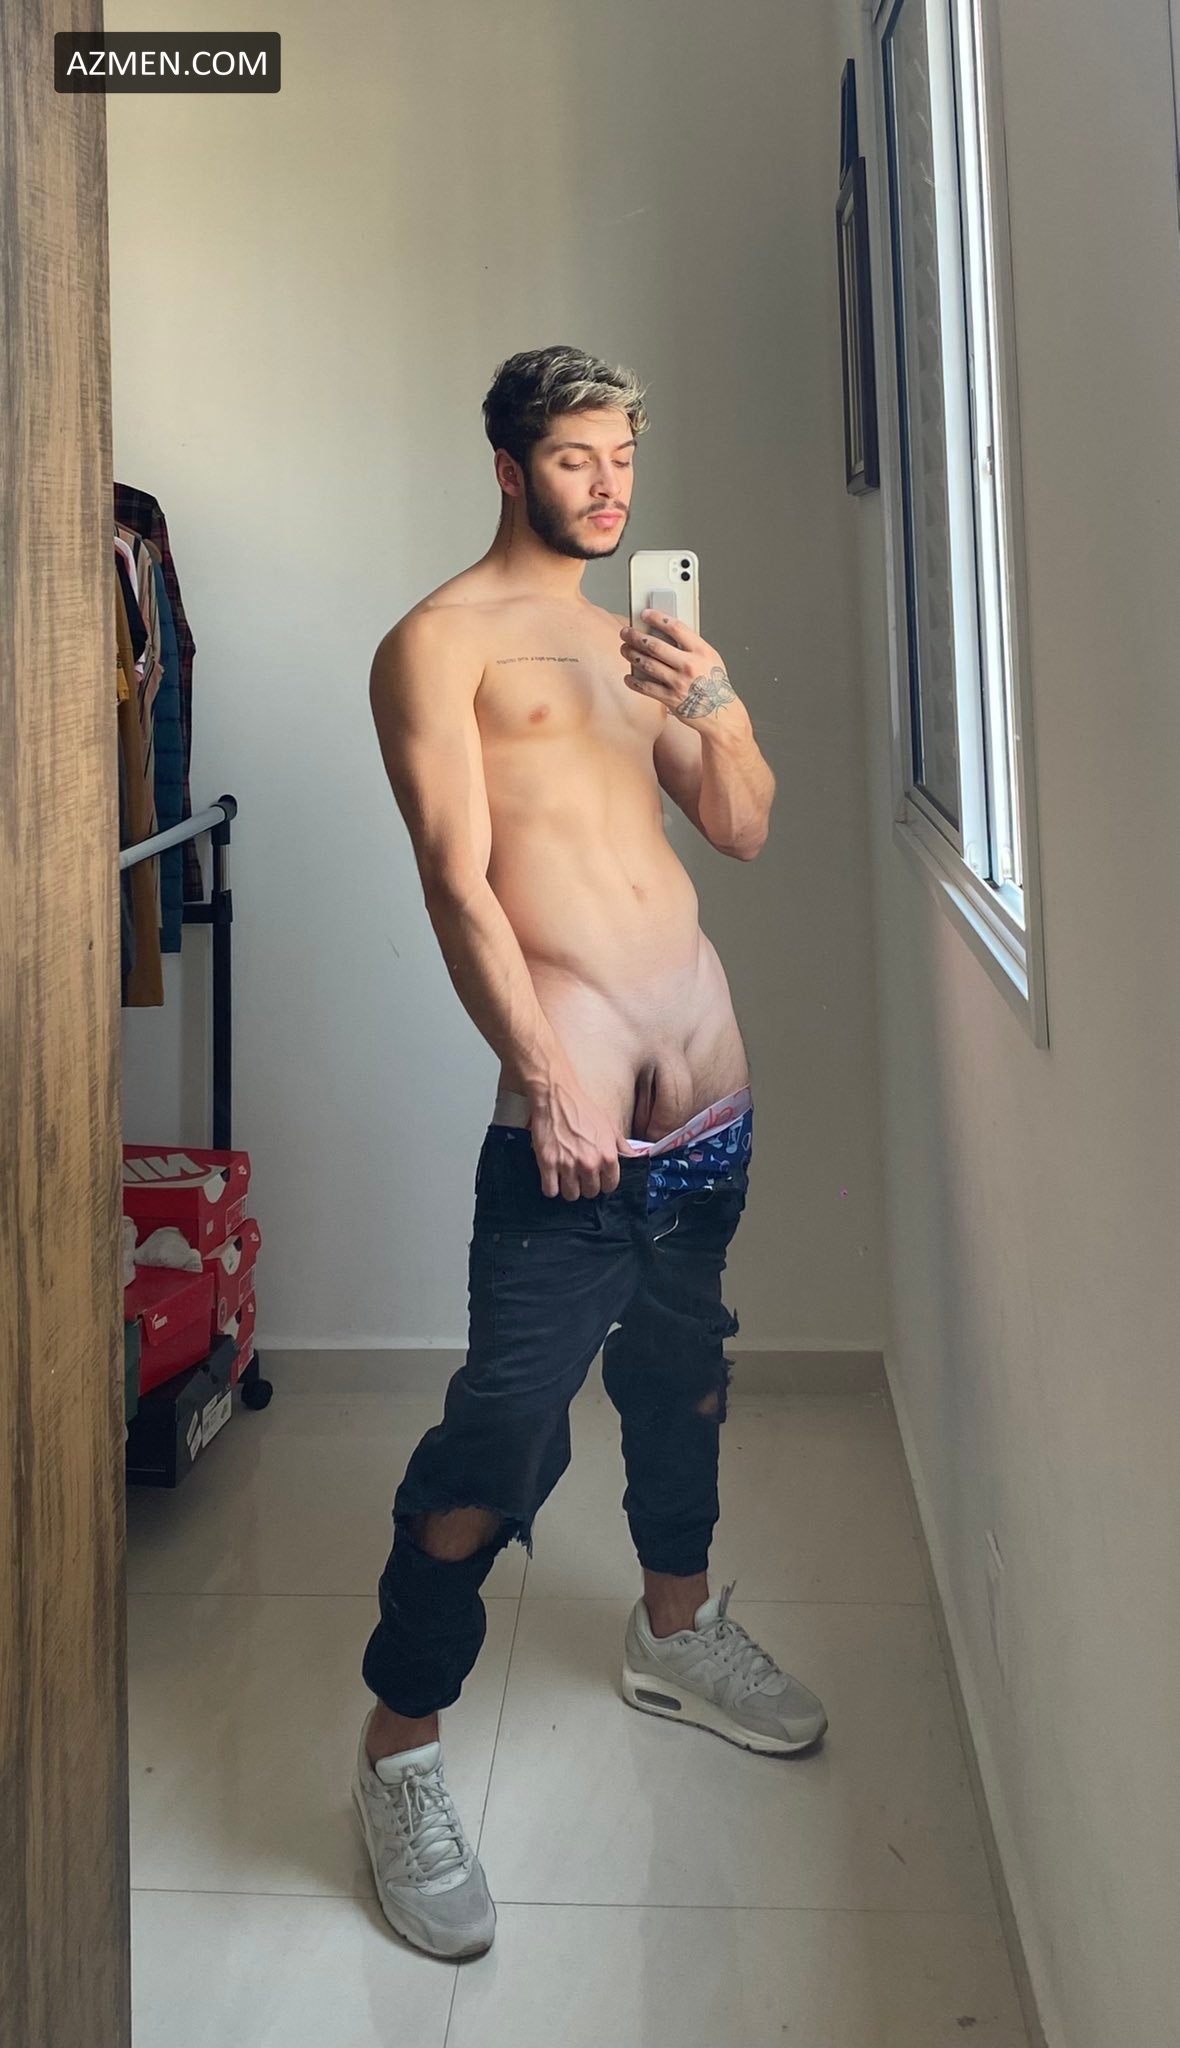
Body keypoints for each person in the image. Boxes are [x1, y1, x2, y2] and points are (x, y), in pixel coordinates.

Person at [352, 345, 827, 1959]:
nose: (609, 484)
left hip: (708, 1108)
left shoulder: (639, 642)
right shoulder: (436, 645)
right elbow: (456, 882)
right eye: (575, 457)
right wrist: (546, 1077)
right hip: (572, 1127)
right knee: (502, 1440)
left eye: (622, 454)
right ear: (509, 467)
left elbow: (744, 826)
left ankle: (673, 1633)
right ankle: (399, 1748)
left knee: (685, 1382)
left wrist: (715, 695)